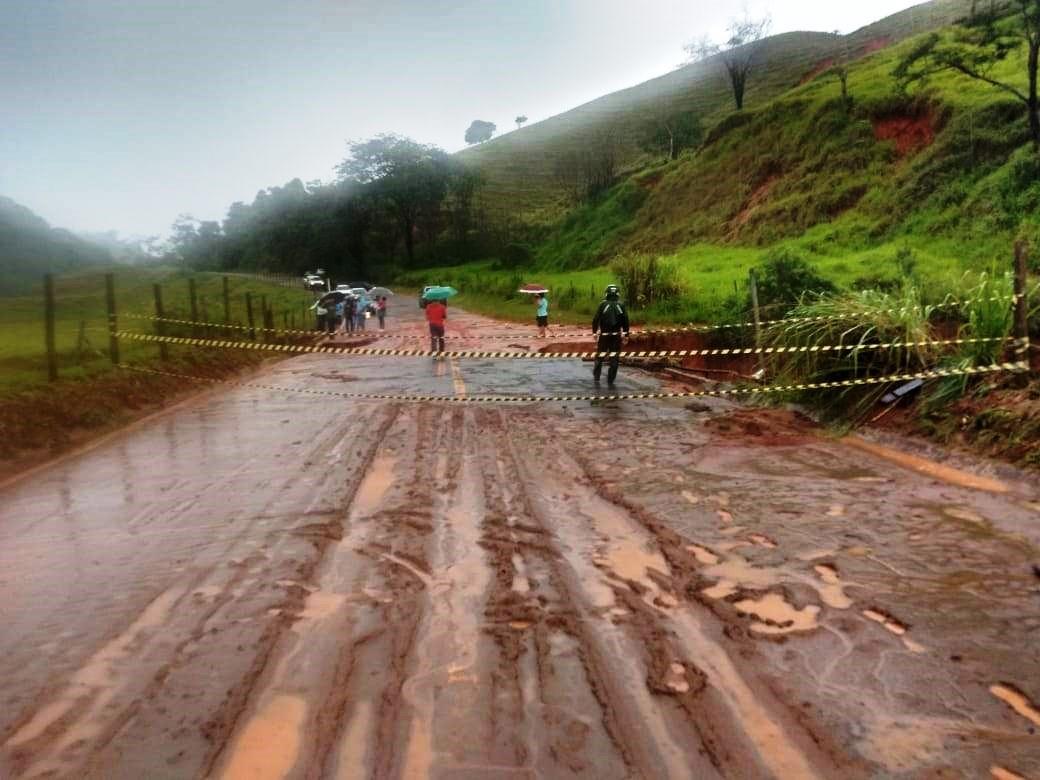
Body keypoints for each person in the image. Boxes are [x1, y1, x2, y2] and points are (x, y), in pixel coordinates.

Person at [591, 284, 630, 385]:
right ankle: (611, 380)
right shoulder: (621, 305)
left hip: (604, 335)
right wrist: (626, 335)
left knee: (600, 356)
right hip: (616, 336)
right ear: (617, 294)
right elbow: (626, 321)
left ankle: (596, 376)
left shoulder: (602, 305)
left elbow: (595, 319)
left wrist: (594, 332)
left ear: (607, 294)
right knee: (614, 358)